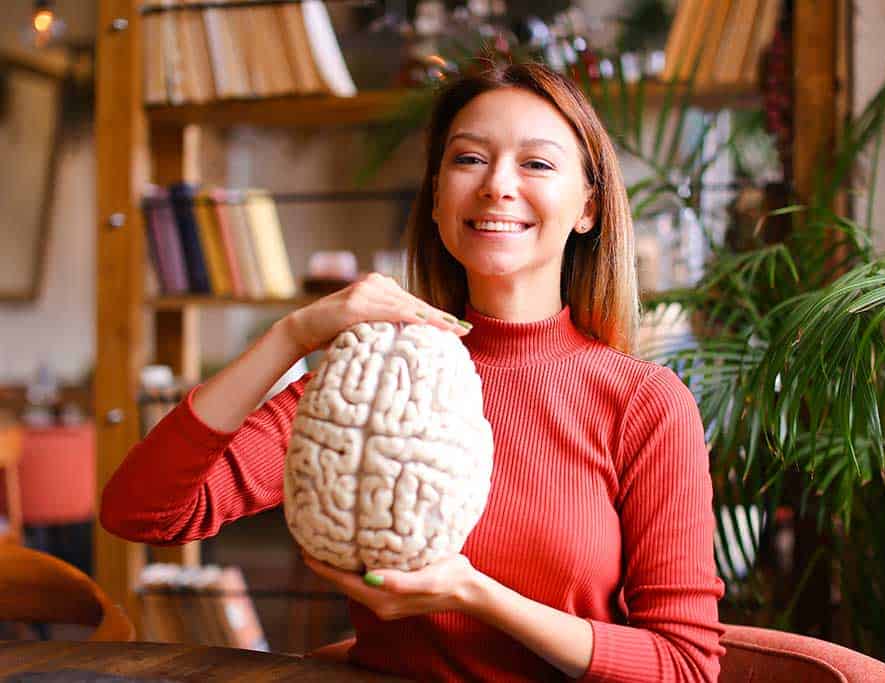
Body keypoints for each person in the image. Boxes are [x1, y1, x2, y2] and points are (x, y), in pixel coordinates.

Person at [101, 61, 725, 681]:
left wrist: (471, 594)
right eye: (469, 159)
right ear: (434, 197)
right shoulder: (371, 375)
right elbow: (144, 512)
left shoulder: (644, 403)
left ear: (587, 207)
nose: (497, 186)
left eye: (535, 163)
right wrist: (293, 334)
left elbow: (685, 667)